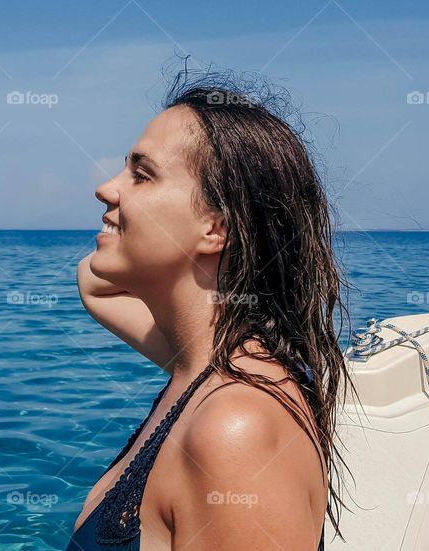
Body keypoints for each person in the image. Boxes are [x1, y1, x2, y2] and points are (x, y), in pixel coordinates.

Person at [68, 71, 354, 550]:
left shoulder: (232, 430)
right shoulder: (197, 362)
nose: (105, 188)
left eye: (142, 174)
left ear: (214, 227)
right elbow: (95, 282)